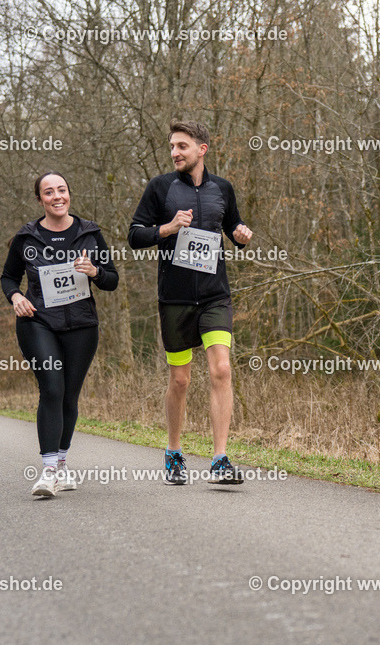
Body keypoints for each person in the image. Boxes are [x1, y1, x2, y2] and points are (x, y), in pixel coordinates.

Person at [128, 120, 252, 485]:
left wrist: (242, 235)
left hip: (215, 295)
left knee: (222, 370)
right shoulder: (160, 188)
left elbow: (234, 227)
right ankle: (174, 452)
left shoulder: (222, 189)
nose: (175, 153)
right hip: (175, 298)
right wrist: (167, 228)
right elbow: (135, 235)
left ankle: (219, 460)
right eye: (171, 147)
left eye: (182, 146)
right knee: (180, 380)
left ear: (202, 149)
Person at [1, 172, 119, 497]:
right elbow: (8, 277)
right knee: (51, 388)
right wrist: (16, 297)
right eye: (48, 192)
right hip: (38, 321)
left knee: (69, 396)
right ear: (40, 199)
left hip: (82, 325)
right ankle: (48, 470)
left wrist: (95, 272)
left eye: (62, 190)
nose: (57, 196)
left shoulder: (90, 233)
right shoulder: (27, 237)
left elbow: (112, 279)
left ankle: (63, 463)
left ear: (69, 194)